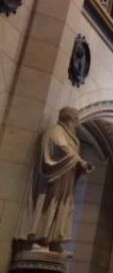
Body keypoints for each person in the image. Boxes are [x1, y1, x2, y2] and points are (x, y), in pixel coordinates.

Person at [16, 107, 93, 252]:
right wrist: (79, 161)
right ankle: (40, 237)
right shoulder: (56, 131)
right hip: (53, 180)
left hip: (65, 180)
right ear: (69, 119)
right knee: (49, 206)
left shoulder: (69, 134)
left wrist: (79, 165)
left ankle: (53, 239)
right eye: (76, 119)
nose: (77, 123)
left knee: (63, 207)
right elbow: (61, 148)